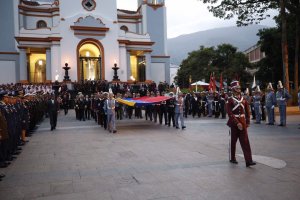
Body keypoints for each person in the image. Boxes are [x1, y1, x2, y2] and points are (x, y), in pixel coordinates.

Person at [226, 80, 256, 167]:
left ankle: (248, 160)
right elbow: (229, 113)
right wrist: (237, 123)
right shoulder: (230, 100)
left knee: (245, 142)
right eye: (237, 88)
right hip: (234, 123)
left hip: (243, 123)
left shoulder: (244, 99)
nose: (239, 89)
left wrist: (248, 122)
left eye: (239, 88)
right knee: (233, 141)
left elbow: (247, 111)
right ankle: (232, 158)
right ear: (233, 89)